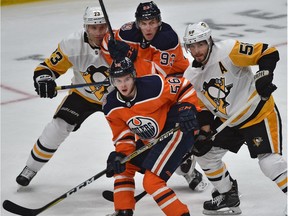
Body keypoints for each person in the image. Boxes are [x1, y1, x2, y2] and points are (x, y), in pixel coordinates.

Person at [102, 0, 208, 192]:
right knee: (145, 128)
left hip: (175, 84)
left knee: (166, 132)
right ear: (137, 23)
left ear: (159, 21)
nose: (148, 27)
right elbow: (106, 41)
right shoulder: (128, 32)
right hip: (148, 85)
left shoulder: (167, 38)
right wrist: (112, 50)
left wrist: (131, 58)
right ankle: (178, 165)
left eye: (152, 22)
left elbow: (157, 74)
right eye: (144, 23)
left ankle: (188, 169)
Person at [182, 21, 287, 215]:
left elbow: (268, 52)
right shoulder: (191, 76)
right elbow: (203, 107)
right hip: (229, 120)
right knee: (205, 156)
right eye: (192, 46)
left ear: (209, 41)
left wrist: (264, 74)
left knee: (269, 162)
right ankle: (228, 195)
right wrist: (205, 133)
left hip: (257, 113)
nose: (197, 50)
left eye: (201, 44)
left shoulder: (228, 50)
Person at [16, 6, 114, 186]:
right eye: (94, 27)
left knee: (144, 129)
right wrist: (45, 79)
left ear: (108, 25)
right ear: (86, 27)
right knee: (58, 126)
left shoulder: (121, 41)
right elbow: (47, 68)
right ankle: (31, 167)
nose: (99, 32)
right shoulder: (72, 44)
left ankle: (181, 169)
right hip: (83, 96)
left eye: (102, 26)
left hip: (118, 97)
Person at [103, 57, 200, 216]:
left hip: (177, 129)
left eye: (127, 79)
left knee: (152, 182)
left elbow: (183, 86)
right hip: (154, 139)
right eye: (118, 80)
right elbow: (123, 136)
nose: (123, 85)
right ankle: (123, 211)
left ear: (134, 75)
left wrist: (187, 107)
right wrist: (121, 153)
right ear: (112, 81)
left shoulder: (153, 86)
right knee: (123, 165)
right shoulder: (111, 105)